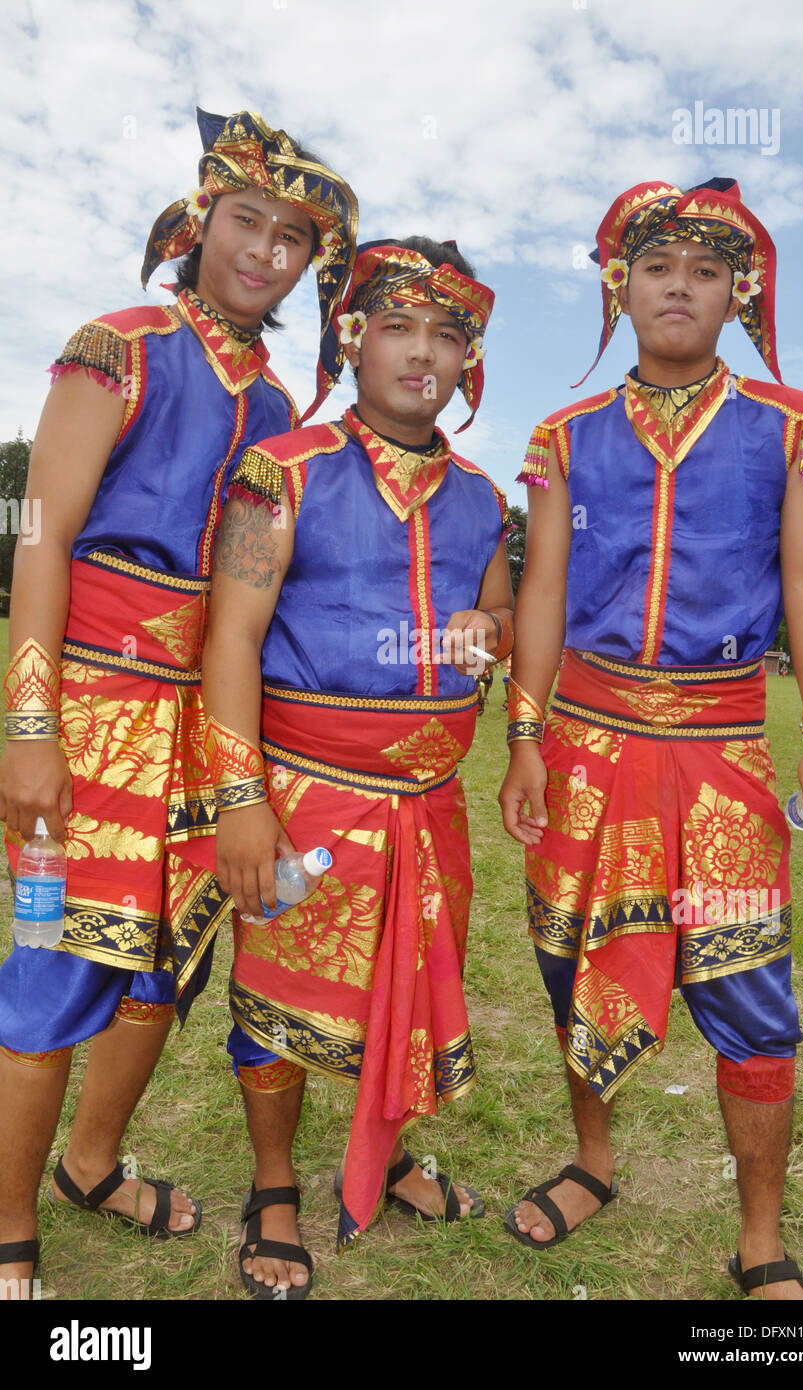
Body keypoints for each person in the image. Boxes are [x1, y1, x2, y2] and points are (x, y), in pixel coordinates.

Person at [0, 107, 357, 1297]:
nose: (264, 251)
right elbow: (40, 533)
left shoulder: (284, 414)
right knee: (53, 965)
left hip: (208, 725)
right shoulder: (121, 342)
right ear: (201, 218)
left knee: (168, 966)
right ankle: (8, 1235)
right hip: (93, 709)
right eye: (246, 220)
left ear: (312, 265)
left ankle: (90, 1163)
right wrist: (32, 724)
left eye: (292, 239)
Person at [498, 179, 803, 1300]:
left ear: (734, 295)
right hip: (585, 743)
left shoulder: (789, 422)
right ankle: (591, 1161)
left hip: (722, 751)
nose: (678, 286)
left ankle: (757, 1236)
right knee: (571, 965)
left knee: (748, 987)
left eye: (705, 271)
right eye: (658, 266)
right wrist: (520, 737)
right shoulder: (563, 434)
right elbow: (542, 592)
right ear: (621, 284)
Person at [199, 237, 514, 1297]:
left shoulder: (480, 494)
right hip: (300, 796)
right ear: (352, 335)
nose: (422, 353)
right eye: (399, 326)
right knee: (276, 999)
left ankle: (394, 1159)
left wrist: (490, 627)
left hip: (431, 801)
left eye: (447, 333)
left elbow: (501, 616)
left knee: (415, 991)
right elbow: (231, 639)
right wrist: (242, 803)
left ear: (468, 357)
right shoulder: (281, 470)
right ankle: (276, 1186)